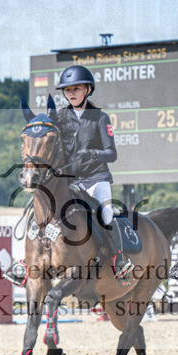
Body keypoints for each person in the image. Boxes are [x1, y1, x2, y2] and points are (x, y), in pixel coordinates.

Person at [54, 64, 134, 281]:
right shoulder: (60, 118)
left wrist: (94, 154)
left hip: (96, 179)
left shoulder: (100, 117)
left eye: (76, 89)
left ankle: (119, 259)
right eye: (68, 90)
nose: (71, 93)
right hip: (72, 181)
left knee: (105, 214)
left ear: (87, 90)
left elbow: (112, 153)